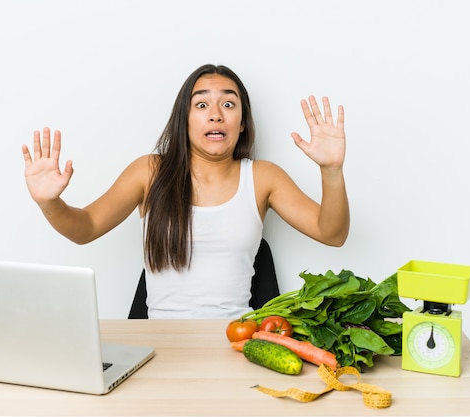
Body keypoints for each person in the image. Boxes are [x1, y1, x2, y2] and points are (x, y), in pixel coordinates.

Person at [22, 64, 349, 319]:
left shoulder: (263, 177)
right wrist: (50, 202)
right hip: (160, 345)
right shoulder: (149, 172)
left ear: (242, 122)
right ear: (185, 118)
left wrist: (331, 170)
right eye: (202, 103)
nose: (216, 113)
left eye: (229, 104)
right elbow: (85, 228)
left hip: (236, 342)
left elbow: (331, 233)